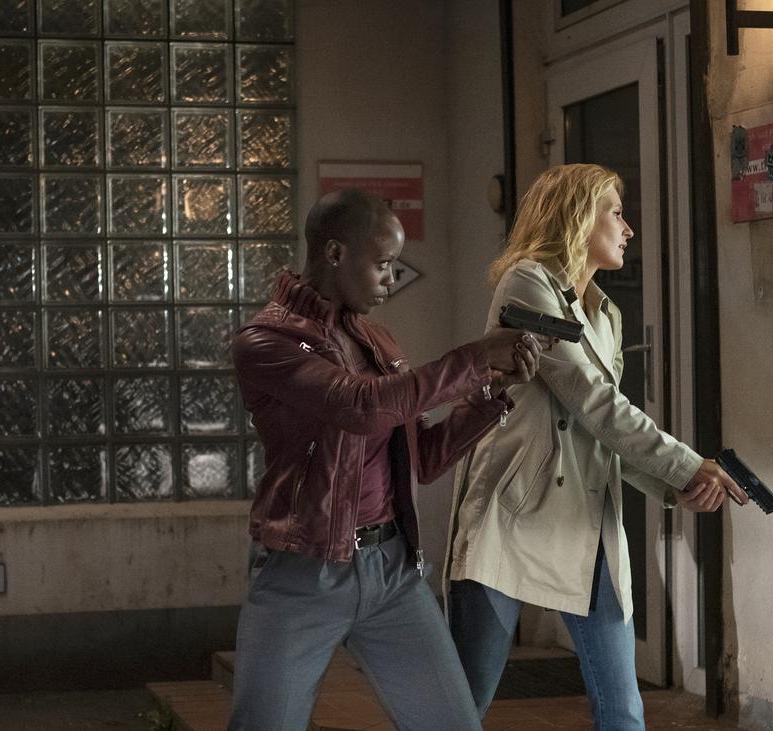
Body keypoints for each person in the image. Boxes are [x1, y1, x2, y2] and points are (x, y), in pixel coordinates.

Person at [444, 164, 749, 729]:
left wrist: (672, 485)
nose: (628, 229)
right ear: (577, 218)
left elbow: (600, 433)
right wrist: (686, 466)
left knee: (623, 708)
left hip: (586, 520)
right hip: (513, 516)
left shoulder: (605, 312)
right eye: (616, 212)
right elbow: (593, 402)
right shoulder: (527, 283)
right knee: (463, 705)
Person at [227, 188, 543, 730]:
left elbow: (424, 458)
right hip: (304, 572)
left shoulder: (377, 341)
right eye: (382, 264)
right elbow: (361, 406)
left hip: (392, 570)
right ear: (334, 253)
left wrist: (491, 392)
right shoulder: (265, 341)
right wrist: (473, 357)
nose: (391, 279)